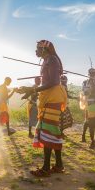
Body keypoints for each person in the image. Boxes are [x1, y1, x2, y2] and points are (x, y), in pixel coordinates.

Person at [18, 40, 67, 177]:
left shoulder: (51, 59)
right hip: (50, 97)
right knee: (52, 131)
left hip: (53, 97)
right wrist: (30, 91)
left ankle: (46, 168)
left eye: (37, 48)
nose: (35, 51)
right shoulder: (49, 59)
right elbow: (49, 82)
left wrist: (33, 90)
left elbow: (53, 82)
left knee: (48, 132)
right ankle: (58, 165)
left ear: (44, 49)